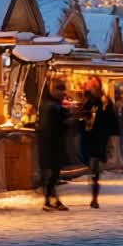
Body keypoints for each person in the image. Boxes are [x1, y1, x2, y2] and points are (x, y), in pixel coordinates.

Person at [81, 79, 118, 208]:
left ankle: (94, 197)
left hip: (99, 138)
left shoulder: (105, 102)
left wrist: (110, 138)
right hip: (88, 137)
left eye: (93, 85)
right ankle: (94, 195)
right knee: (92, 166)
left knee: (95, 167)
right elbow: (83, 115)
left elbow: (111, 120)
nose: (91, 88)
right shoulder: (90, 101)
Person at [37, 79, 69, 210]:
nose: (63, 93)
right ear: (54, 90)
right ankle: (49, 201)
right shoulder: (53, 106)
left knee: (51, 172)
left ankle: (52, 200)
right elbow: (54, 126)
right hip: (52, 143)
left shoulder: (49, 104)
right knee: (53, 173)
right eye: (60, 90)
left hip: (49, 143)